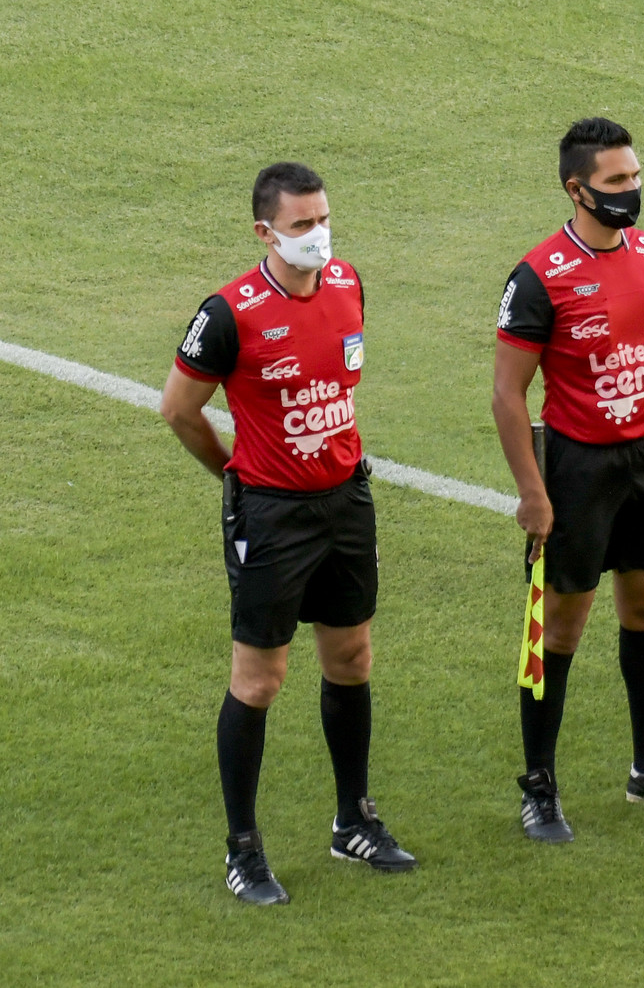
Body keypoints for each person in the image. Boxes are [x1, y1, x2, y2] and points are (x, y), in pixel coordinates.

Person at [161, 161, 417, 905]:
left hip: (345, 501)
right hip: (271, 515)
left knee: (351, 655)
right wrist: (237, 475)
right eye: (302, 225)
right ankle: (243, 848)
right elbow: (179, 407)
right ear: (264, 231)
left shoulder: (347, 284)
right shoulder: (230, 312)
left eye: (324, 219)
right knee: (260, 679)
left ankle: (353, 819)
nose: (318, 235)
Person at [492, 118, 644, 841]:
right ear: (577, 188)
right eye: (617, 181)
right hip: (577, 468)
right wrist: (533, 492)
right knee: (559, 628)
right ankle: (539, 786)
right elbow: (508, 394)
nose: (632, 190)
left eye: (634, 176)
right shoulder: (538, 276)